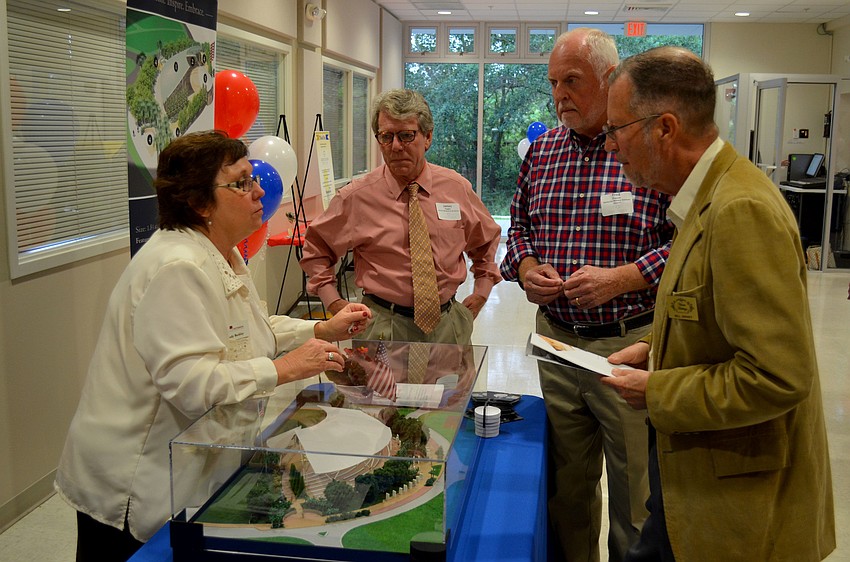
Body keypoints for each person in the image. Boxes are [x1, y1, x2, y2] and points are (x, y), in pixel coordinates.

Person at [54, 130, 372, 562]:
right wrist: (285, 368)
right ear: (200, 203)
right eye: (241, 183)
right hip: (130, 480)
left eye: (252, 178)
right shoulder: (176, 267)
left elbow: (247, 331)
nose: (259, 190)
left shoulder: (221, 252)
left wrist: (320, 329)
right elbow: (192, 385)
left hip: (184, 466)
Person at [601, 47, 836, 561]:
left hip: (736, 497)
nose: (610, 144)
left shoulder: (739, 209)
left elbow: (777, 376)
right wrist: (653, 347)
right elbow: (708, 312)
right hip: (697, 474)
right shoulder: (703, 198)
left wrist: (658, 390)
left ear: (664, 128)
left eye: (616, 129)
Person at [500, 28, 675, 561]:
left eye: (571, 81)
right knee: (566, 491)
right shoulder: (541, 153)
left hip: (626, 348)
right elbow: (518, 229)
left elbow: (688, 244)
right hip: (556, 345)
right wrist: (528, 267)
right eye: (553, 83)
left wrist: (623, 278)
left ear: (609, 78)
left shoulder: (647, 151)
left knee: (634, 497)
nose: (560, 95)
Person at [300, 88, 502, 345]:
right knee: (375, 376)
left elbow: (485, 240)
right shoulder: (357, 197)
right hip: (382, 326)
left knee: (453, 375)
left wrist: (482, 291)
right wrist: (333, 302)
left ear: (428, 137)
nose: (395, 146)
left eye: (406, 135)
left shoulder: (456, 188)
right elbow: (316, 249)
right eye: (386, 136)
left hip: (448, 326)